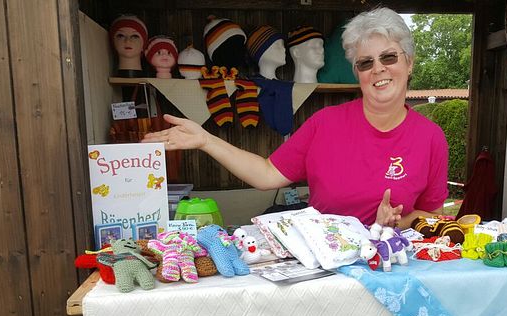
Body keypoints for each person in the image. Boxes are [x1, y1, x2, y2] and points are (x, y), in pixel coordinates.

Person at [142, 7, 448, 228]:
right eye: (365, 63)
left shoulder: (431, 137)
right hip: (325, 276)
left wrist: (400, 222)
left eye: (389, 57)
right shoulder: (325, 123)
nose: (378, 68)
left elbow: (431, 217)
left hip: (393, 276)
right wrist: (206, 140)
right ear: (358, 74)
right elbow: (266, 174)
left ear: (409, 63)